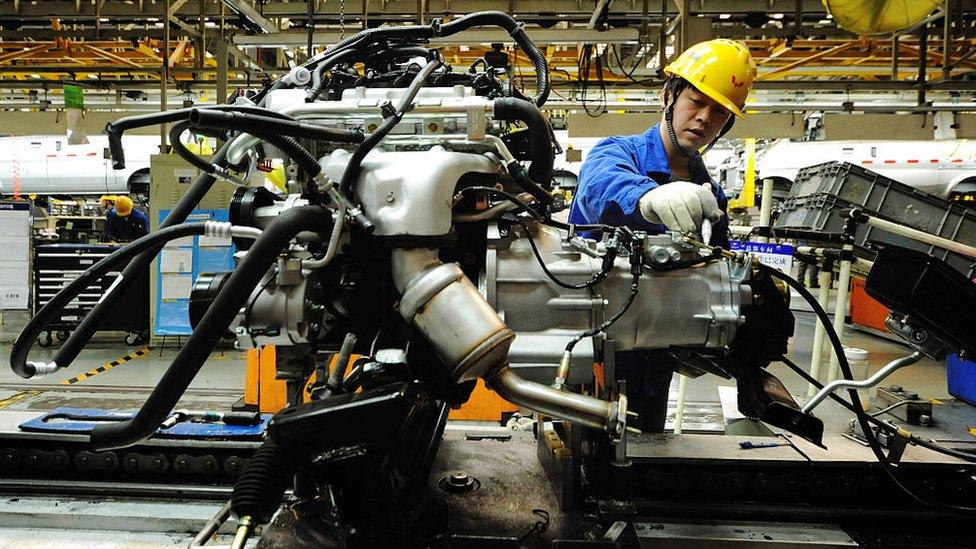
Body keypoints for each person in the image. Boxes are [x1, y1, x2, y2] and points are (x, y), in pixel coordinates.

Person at [568, 39, 757, 433]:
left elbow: (717, 275)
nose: (704, 118)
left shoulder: (711, 198)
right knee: (577, 465)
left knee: (643, 457)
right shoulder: (618, 153)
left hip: (656, 365)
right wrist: (648, 197)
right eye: (696, 102)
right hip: (591, 357)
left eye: (719, 112)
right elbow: (600, 186)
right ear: (667, 95)